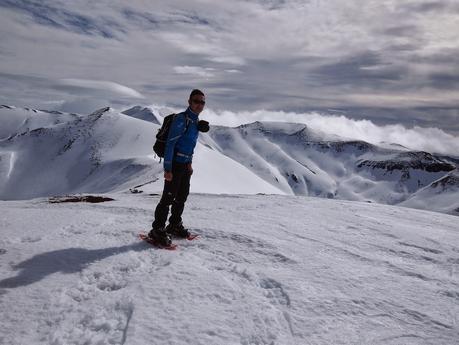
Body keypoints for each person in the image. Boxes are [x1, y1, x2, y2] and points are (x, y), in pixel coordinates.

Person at [148, 89, 208, 246]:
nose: (199, 105)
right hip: (174, 165)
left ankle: (174, 224)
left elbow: (190, 145)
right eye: (196, 101)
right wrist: (168, 169)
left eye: (202, 102)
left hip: (185, 165)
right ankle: (157, 230)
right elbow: (170, 144)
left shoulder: (195, 122)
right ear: (189, 102)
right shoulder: (181, 120)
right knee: (168, 198)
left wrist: (189, 163)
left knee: (182, 196)